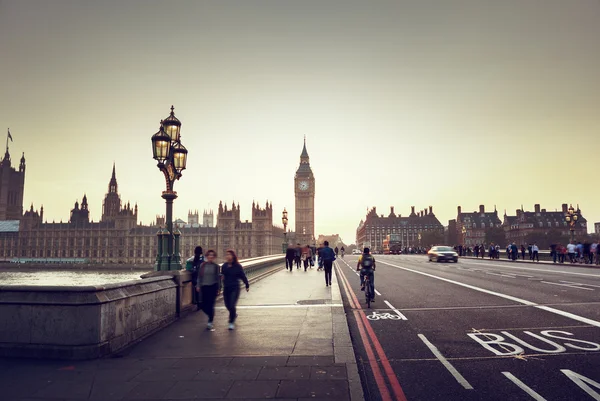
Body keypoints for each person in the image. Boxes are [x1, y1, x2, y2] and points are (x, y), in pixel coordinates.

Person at [221, 250, 249, 330]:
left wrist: (247, 285)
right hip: (226, 288)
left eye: (229, 254)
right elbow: (222, 276)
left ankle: (231, 321)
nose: (228, 256)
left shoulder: (238, 266)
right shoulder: (224, 266)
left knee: (232, 304)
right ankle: (233, 314)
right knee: (227, 305)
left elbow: (243, 276)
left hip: (235, 288)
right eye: (227, 255)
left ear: (233, 256)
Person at [196, 250, 221, 330]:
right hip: (204, 287)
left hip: (213, 287)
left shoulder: (216, 266)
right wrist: (198, 285)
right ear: (207, 256)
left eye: (212, 255)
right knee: (202, 305)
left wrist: (219, 288)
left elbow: (218, 278)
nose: (210, 256)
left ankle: (210, 322)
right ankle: (211, 314)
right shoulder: (202, 265)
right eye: (209, 255)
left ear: (214, 257)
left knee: (211, 304)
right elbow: (199, 277)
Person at [190, 246, 205, 311]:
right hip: (202, 278)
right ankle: (202, 304)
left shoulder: (194, 259)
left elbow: (192, 269)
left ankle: (198, 305)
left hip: (195, 278)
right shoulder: (203, 259)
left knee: (197, 292)